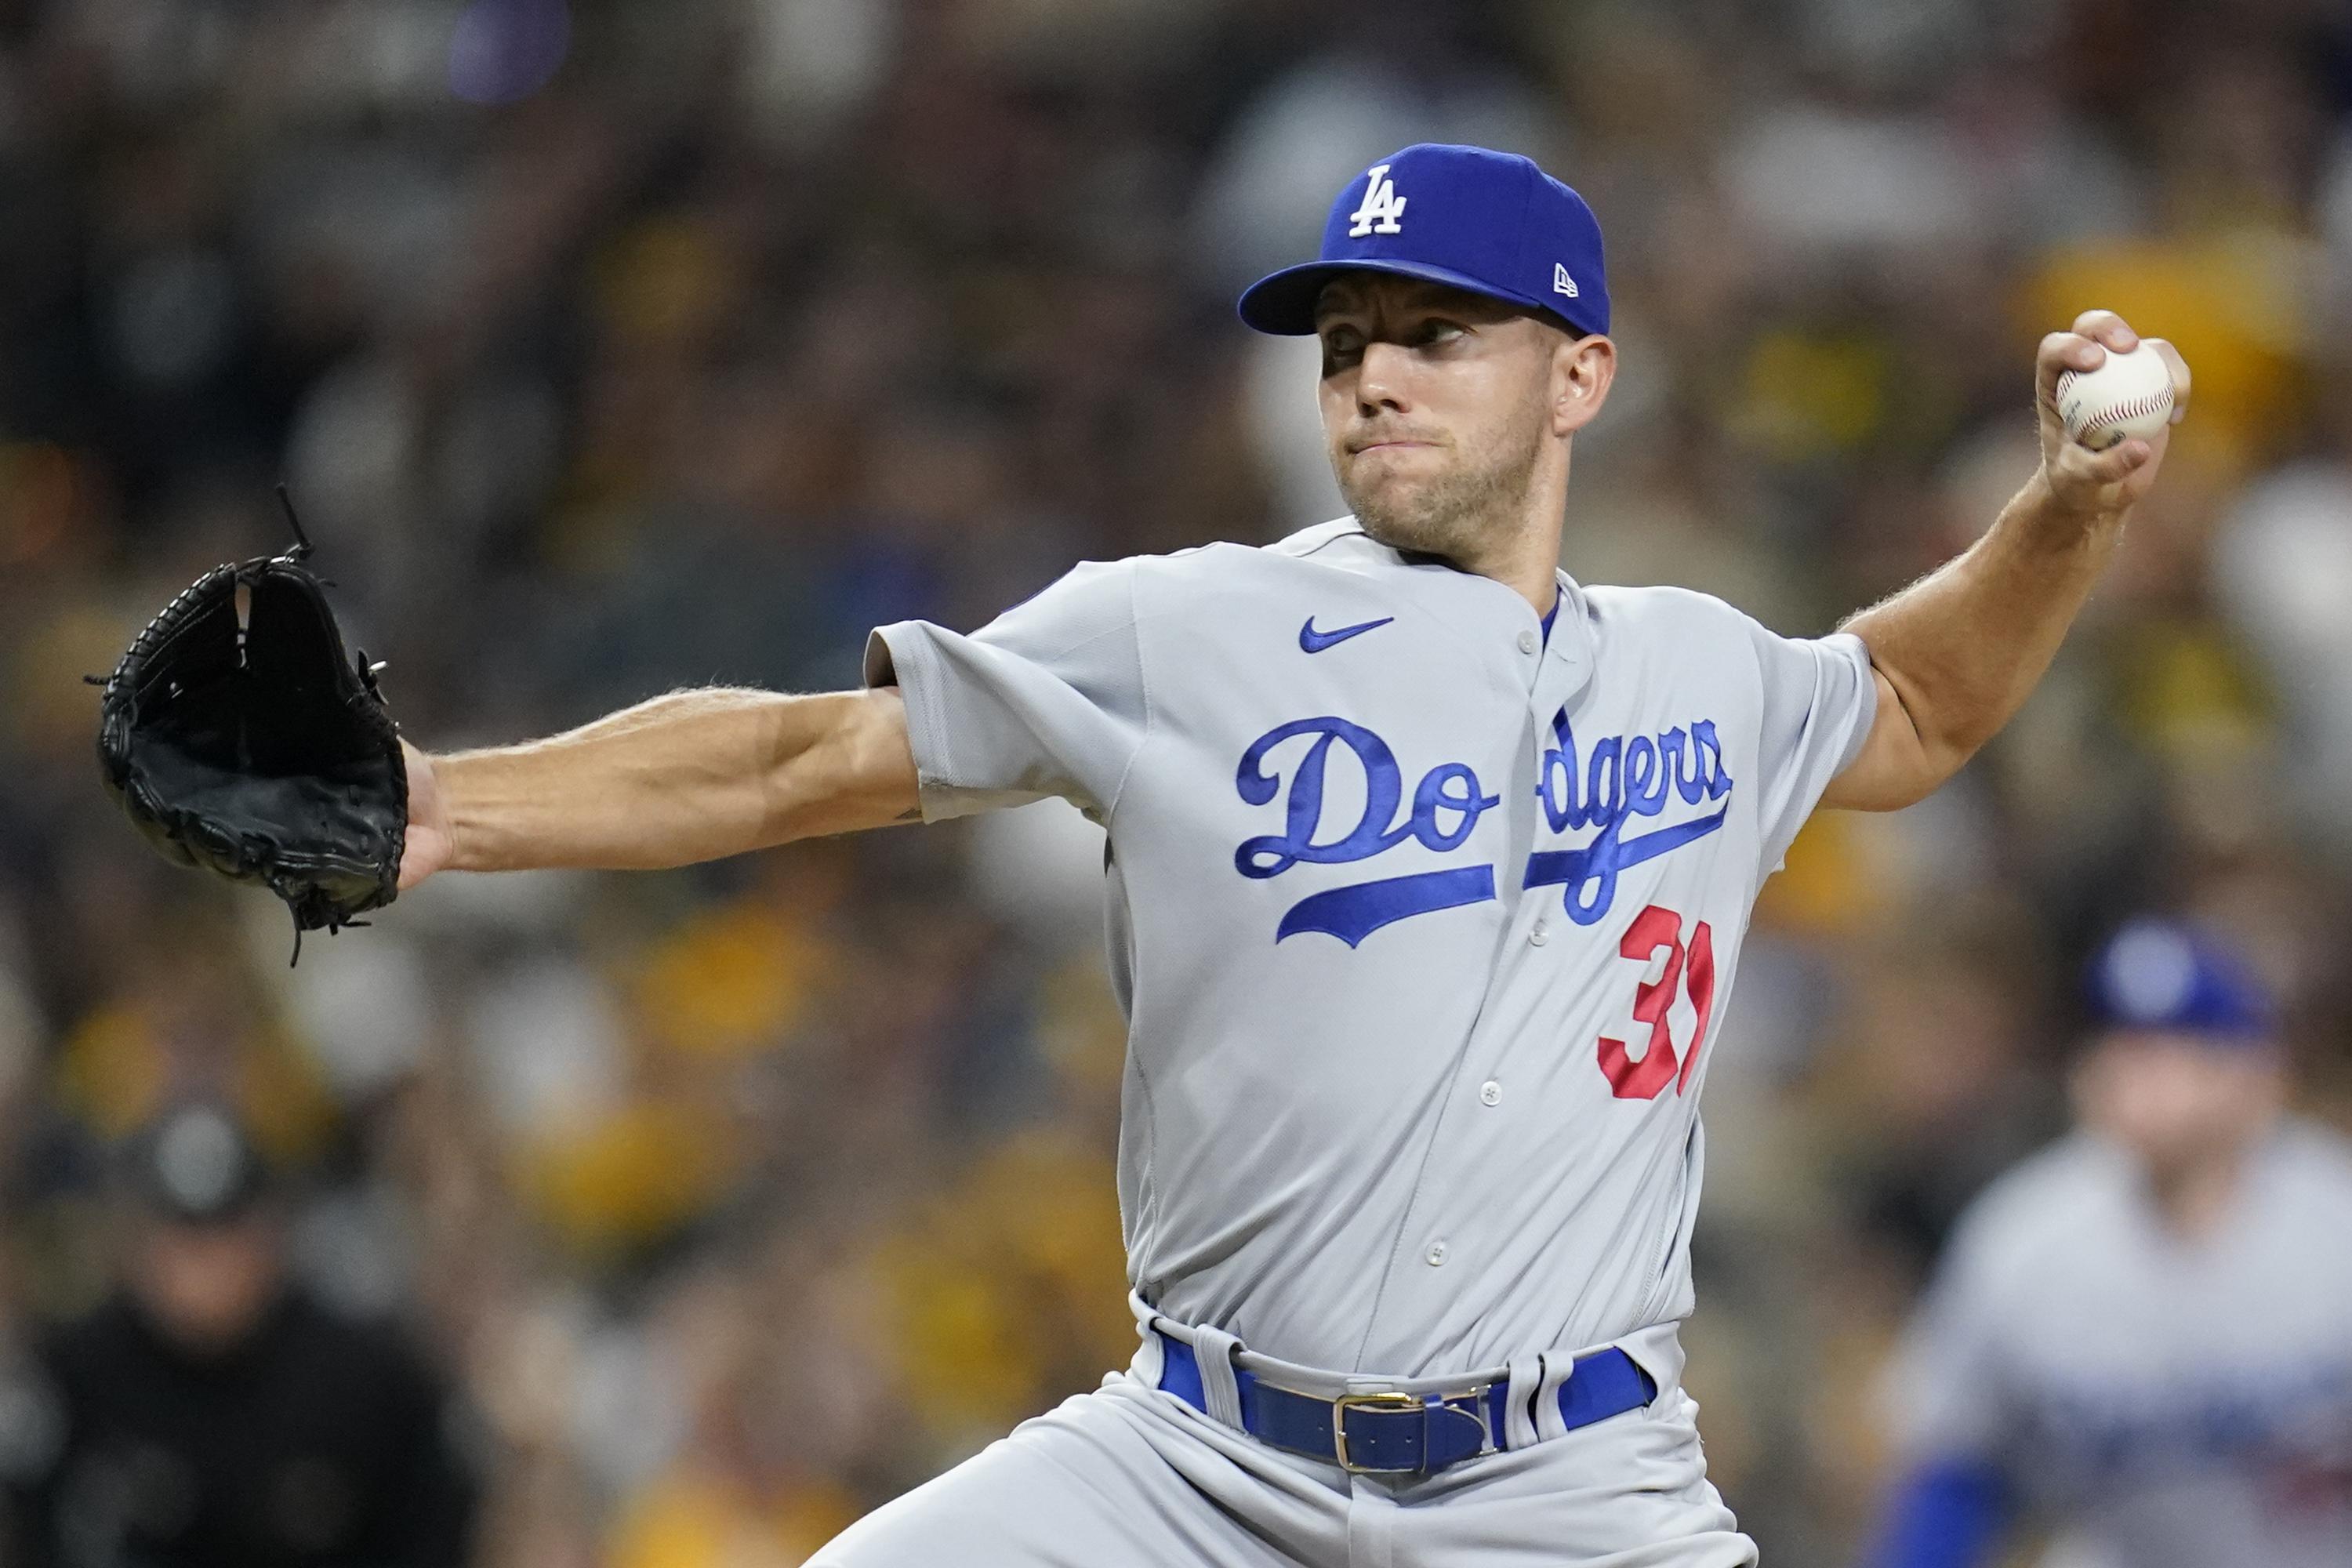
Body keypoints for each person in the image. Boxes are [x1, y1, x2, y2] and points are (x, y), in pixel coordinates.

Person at [394, 143, 2190, 1564]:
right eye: (1343, 343)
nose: (1371, 380)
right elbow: (805, 755)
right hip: (1195, 1465)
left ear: (1578, 376)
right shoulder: (1186, 629)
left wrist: (2062, 508)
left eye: (1433, 334)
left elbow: (1910, 707)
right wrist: (450, 806)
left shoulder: (1695, 666)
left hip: (1566, 1481)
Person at [1863, 918, 2352, 1568]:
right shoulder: (2023, 1240)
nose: (2136, 1074)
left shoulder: (2334, 1220)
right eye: (2119, 1045)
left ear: (2258, 1074)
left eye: (2179, 1048)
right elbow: (1956, 1470)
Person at [0, 1102, 477, 1568]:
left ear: (272, 1233)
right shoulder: (72, 1377)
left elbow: (434, 1522)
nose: (206, 1267)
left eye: (226, 1232)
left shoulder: (366, 1379)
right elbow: (27, 1526)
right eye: (184, 1236)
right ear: (135, 1240)